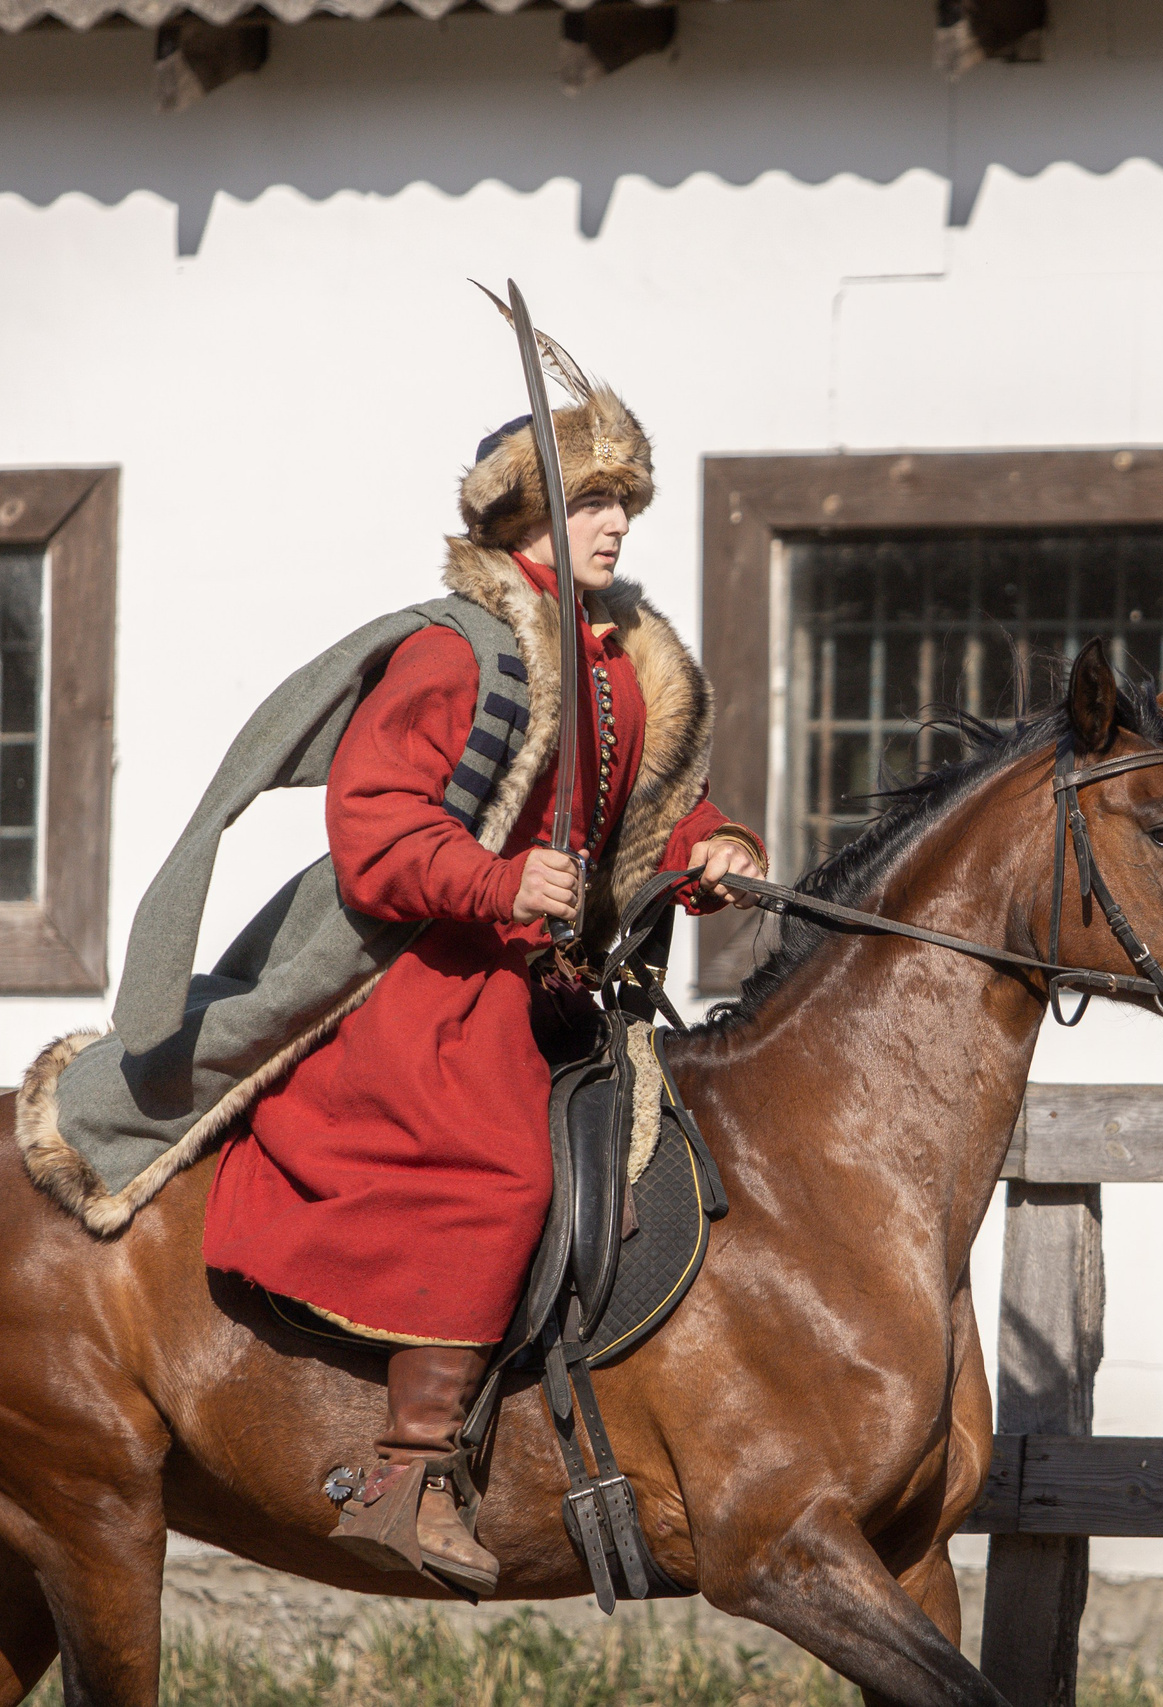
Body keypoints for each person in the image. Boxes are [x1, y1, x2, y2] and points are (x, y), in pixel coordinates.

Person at [199, 375, 763, 1596]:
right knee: (503, 1166)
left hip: (564, 985)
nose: (618, 524)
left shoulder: (630, 661)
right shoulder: (454, 651)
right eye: (594, 500)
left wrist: (710, 851)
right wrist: (497, 885)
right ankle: (409, 1476)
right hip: (435, 986)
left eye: (628, 502)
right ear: (523, 518)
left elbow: (651, 813)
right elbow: (378, 830)